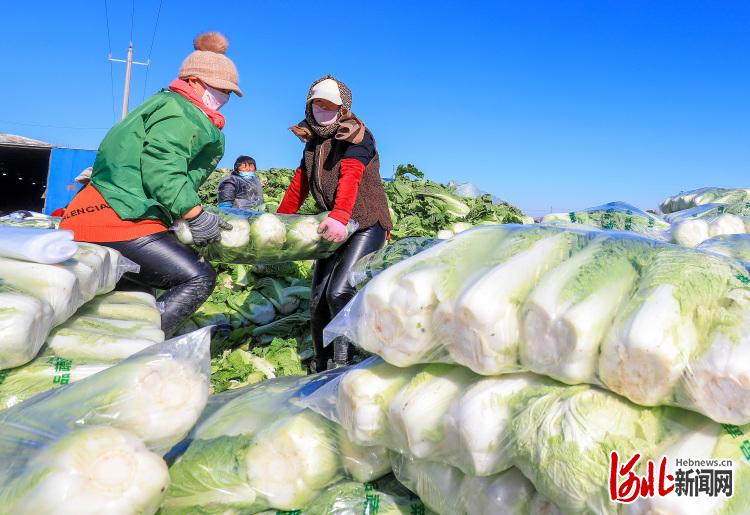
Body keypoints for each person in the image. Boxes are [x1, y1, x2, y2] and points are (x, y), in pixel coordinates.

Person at [59, 32, 242, 336]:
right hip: (121, 218)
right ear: (195, 81)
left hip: (99, 212)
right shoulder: (181, 112)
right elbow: (162, 168)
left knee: (135, 296)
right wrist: (194, 214)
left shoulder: (164, 105)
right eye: (222, 89)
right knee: (197, 277)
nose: (225, 98)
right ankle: (138, 349)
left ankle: (112, 343)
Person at [277, 75, 393, 371]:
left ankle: (346, 364)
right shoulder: (313, 143)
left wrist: (341, 215)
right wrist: (280, 219)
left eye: (330, 105)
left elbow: (351, 176)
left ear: (342, 109)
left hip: (365, 223)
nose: (323, 110)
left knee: (339, 291)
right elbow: (300, 183)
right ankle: (322, 363)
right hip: (334, 224)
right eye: (318, 104)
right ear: (309, 106)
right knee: (317, 298)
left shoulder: (355, 134)